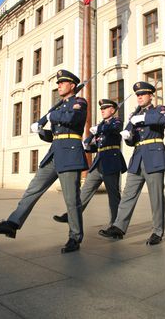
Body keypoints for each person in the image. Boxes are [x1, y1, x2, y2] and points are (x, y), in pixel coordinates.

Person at [0, 69, 88, 253]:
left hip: (70, 155)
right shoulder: (60, 106)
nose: (59, 86)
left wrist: (50, 116)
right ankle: (13, 223)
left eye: (62, 83)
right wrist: (41, 131)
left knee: (71, 200)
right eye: (58, 83)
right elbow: (55, 135)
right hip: (54, 154)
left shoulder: (79, 102)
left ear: (72, 85)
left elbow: (72, 119)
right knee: (32, 190)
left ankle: (75, 237)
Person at [99, 81, 165, 245]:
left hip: (154, 157)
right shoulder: (133, 115)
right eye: (137, 95)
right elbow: (133, 140)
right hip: (138, 158)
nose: (139, 97)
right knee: (128, 195)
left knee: (156, 197)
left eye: (142, 94)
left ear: (150, 96)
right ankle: (118, 227)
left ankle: (157, 232)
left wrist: (144, 117)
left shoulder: (158, 109)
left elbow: (163, 120)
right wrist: (129, 138)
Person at [53, 99, 127, 230]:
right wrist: (87, 146)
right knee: (85, 191)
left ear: (113, 110)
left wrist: (99, 128)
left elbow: (115, 129)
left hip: (111, 160)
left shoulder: (116, 121)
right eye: (101, 109)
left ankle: (115, 225)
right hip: (98, 161)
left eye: (106, 108)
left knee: (113, 195)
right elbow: (97, 146)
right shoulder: (100, 126)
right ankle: (72, 215)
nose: (102, 110)